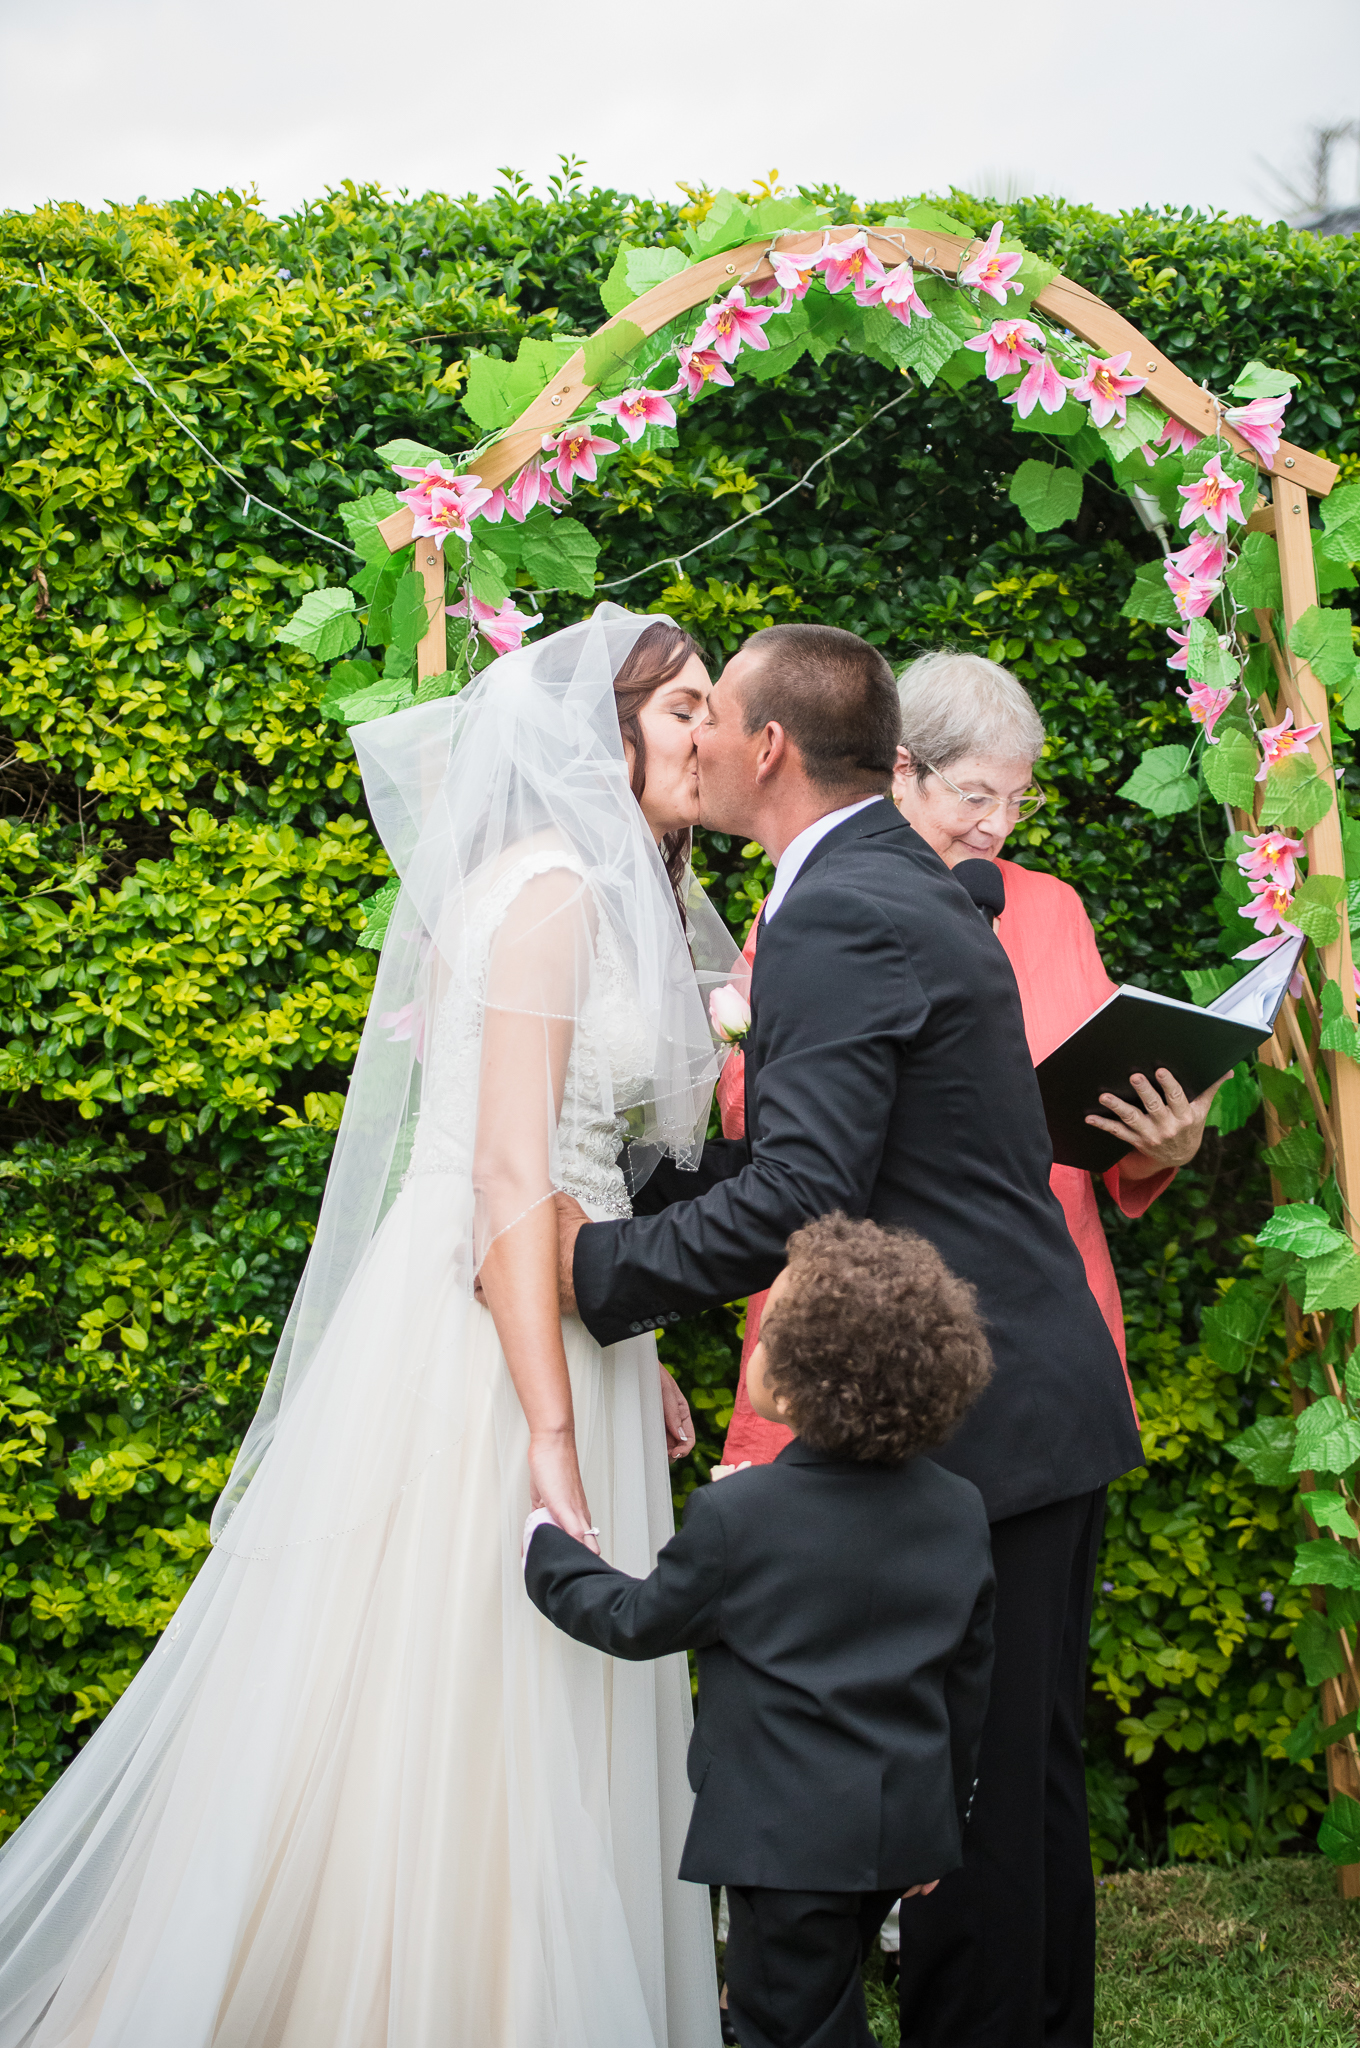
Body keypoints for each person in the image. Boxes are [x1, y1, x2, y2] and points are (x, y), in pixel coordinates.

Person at [0, 608, 733, 2048]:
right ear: (607, 733)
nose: (708, 735)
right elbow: (508, 1179)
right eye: (684, 709)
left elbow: (584, 1168)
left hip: (576, 1316)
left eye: (710, 708)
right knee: (472, 1671)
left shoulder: (593, 887)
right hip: (489, 1335)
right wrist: (542, 1426)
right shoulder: (548, 893)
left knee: (515, 1677)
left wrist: (629, 1356)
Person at [556, 620, 1144, 2047]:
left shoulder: (835, 906)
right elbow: (847, 1155)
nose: (688, 738)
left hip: (990, 1410)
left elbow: (806, 1195)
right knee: (1016, 1790)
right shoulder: (890, 876)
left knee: (985, 1813)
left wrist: (588, 1274)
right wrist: (639, 1190)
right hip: (1032, 1386)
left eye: (711, 718)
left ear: (765, 748)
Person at [717, 651, 1219, 1473]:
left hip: (1038, 1324)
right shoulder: (815, 905)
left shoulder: (1052, 907)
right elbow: (757, 1122)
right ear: (903, 772)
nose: (997, 826)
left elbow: (1091, 1094)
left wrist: (1162, 1140)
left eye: (1018, 800)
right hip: (869, 1325)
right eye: (976, 796)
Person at [526, 1214, 997, 2048]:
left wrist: (548, 1551)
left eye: (769, 1330)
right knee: (825, 1998)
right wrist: (944, 1824)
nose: (754, 1343)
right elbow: (966, 1681)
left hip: (785, 1844)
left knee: (785, 2026)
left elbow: (635, 1620)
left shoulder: (737, 1516)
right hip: (899, 1831)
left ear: (812, 1373)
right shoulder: (957, 1511)